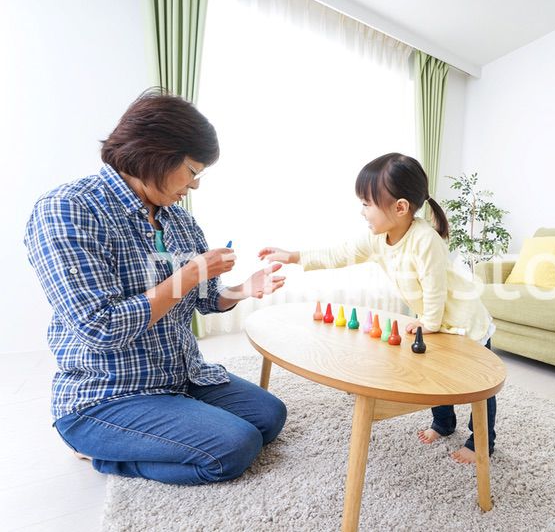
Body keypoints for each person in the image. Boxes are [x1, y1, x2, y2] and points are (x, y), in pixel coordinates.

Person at [24, 90, 287, 485]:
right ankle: (99, 451)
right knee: (235, 446)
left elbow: (206, 299)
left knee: (269, 416)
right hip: (108, 393)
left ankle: (170, 421)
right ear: (156, 153)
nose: (194, 186)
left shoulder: (178, 220)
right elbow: (100, 327)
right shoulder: (67, 209)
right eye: (192, 171)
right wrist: (190, 273)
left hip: (180, 377)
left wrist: (244, 289)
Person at [258, 152, 497, 463]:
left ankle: (482, 442)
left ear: (400, 207)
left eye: (367, 203)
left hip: (464, 321)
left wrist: (429, 322)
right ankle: (443, 423)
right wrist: (294, 256)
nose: (362, 211)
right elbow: (339, 253)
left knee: (478, 386)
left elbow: (435, 286)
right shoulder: (377, 239)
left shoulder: (425, 240)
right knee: (435, 375)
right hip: (433, 319)